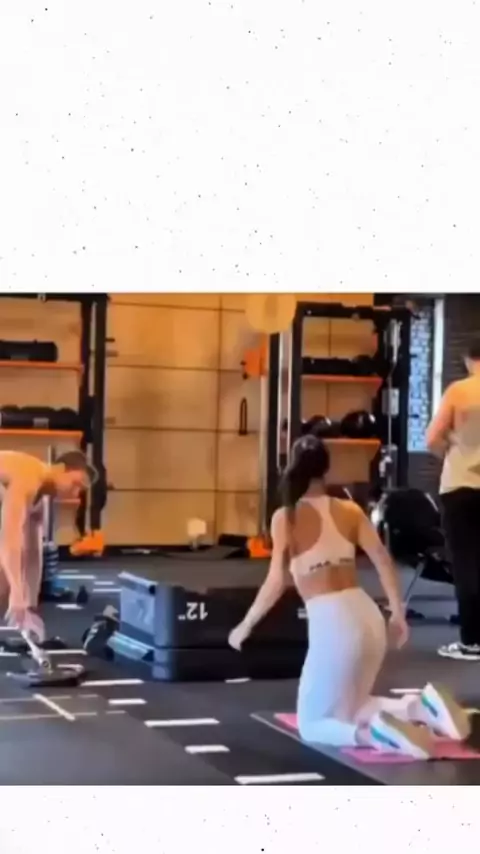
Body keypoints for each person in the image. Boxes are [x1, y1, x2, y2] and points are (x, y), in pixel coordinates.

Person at [229, 435, 471, 759]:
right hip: (368, 614)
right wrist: (397, 613)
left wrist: (245, 626)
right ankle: (421, 708)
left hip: (333, 621)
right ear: (325, 469)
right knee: (353, 706)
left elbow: (276, 581)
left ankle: (376, 735)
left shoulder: (285, 517)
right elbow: (383, 560)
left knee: (312, 724)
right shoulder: (349, 510)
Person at [0, 449, 97, 643]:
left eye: (80, 490)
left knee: (7, 580)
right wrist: (17, 594)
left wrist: (28, 606)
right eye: (75, 484)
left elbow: (32, 552)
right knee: (8, 574)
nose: (74, 493)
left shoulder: (40, 499)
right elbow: (9, 538)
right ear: (60, 469)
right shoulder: (29, 476)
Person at [427, 335, 480, 661]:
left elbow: (432, 438)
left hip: (461, 486)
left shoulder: (459, 391)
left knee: (466, 563)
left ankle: (472, 641)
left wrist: (451, 452)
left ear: (469, 360)